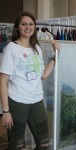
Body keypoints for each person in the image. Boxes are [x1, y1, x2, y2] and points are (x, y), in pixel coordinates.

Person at [0, 11, 60, 150]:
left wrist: (55, 57)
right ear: (18, 27)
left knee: (43, 143)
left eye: (31, 24)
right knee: (17, 145)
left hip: (36, 100)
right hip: (17, 102)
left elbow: (44, 75)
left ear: (35, 27)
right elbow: (3, 81)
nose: (28, 27)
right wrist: (6, 111)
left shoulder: (37, 48)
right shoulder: (11, 48)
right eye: (24, 24)